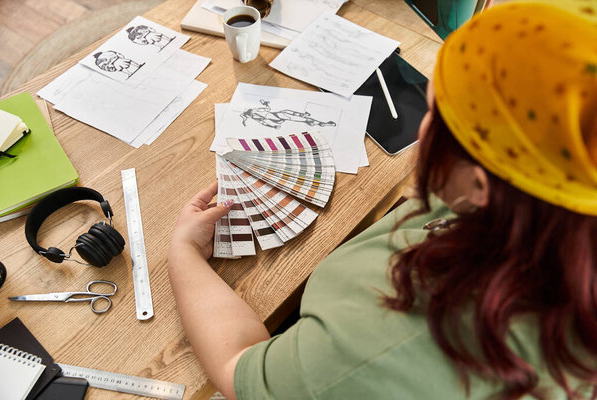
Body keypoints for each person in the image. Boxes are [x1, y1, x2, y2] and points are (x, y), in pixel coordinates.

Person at [167, 1, 597, 398]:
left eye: (438, 116)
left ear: (483, 185)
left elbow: (240, 369)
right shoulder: (551, 216)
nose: (422, 128)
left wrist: (184, 252)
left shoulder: (398, 337)